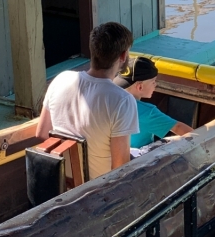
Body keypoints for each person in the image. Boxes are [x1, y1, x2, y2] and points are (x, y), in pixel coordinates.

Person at [36, 22, 139, 179]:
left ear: (93, 51)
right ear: (123, 56)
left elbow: (42, 133)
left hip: (62, 182)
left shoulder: (60, 79)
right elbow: (120, 168)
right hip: (99, 192)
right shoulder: (122, 100)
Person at [113, 57, 192, 150]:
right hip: (137, 160)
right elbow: (178, 127)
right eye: (153, 82)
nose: (155, 85)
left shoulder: (110, 100)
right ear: (140, 87)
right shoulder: (147, 112)